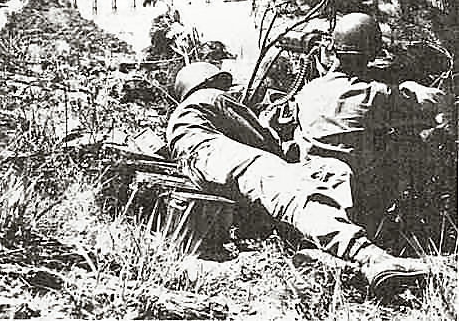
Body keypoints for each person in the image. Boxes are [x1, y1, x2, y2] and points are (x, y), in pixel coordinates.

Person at [166, 61, 432, 296]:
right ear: (207, 83)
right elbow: (262, 142)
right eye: (219, 84)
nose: (225, 90)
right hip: (219, 156)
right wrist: (275, 131)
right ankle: (370, 257)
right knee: (292, 191)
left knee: (286, 192)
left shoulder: (183, 118)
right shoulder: (209, 98)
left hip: (204, 164)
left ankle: (324, 254)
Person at [294, 12, 451, 236]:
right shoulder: (375, 95)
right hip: (361, 204)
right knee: (412, 139)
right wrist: (409, 84)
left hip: (314, 193)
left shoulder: (308, 92)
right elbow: (433, 103)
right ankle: (426, 225)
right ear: (371, 55)